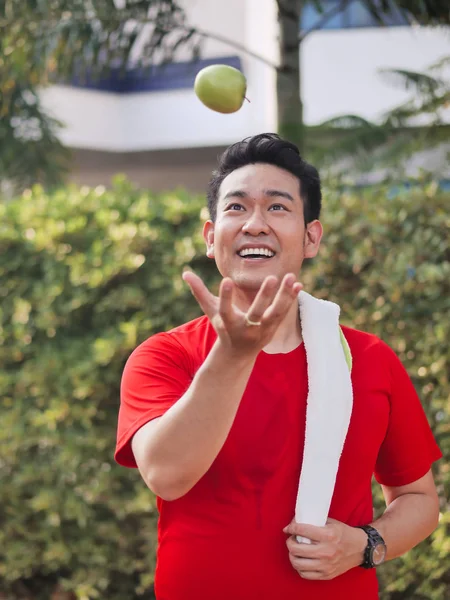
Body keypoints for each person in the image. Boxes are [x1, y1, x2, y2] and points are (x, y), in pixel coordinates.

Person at [114, 133, 442, 600]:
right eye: (236, 208)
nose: (254, 224)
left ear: (311, 237)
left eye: (277, 207)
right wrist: (235, 352)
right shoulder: (167, 356)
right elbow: (167, 474)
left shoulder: (369, 360)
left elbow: (418, 500)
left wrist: (365, 545)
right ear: (211, 238)